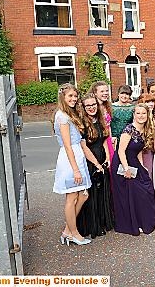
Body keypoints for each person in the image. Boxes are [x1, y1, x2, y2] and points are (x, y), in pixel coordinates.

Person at [53, 83, 92, 246]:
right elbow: (67, 145)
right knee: (72, 197)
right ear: (62, 97)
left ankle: (68, 231)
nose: (74, 99)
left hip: (77, 156)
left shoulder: (69, 114)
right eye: (70, 96)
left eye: (75, 96)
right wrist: (75, 169)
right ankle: (73, 233)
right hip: (70, 160)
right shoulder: (62, 116)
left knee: (83, 195)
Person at [110, 103, 155, 235]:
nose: (141, 116)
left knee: (146, 188)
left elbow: (138, 151)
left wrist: (142, 166)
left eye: (144, 113)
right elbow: (120, 151)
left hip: (134, 162)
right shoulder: (128, 129)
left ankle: (142, 220)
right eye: (138, 113)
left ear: (147, 115)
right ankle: (133, 223)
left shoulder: (145, 130)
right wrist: (126, 169)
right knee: (133, 192)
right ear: (134, 115)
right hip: (122, 164)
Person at [76, 93, 114, 239]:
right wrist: (96, 164)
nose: (91, 108)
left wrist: (108, 159)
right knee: (91, 195)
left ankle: (103, 222)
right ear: (83, 108)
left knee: (102, 194)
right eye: (88, 105)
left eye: (93, 105)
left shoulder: (101, 120)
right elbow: (84, 147)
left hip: (102, 161)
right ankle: (93, 226)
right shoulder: (82, 124)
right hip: (90, 164)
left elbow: (104, 141)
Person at [88, 81, 114, 161]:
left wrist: (111, 138)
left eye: (106, 91)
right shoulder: (93, 108)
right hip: (99, 140)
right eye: (102, 91)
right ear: (95, 93)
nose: (105, 93)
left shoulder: (106, 106)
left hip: (108, 138)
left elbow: (108, 125)